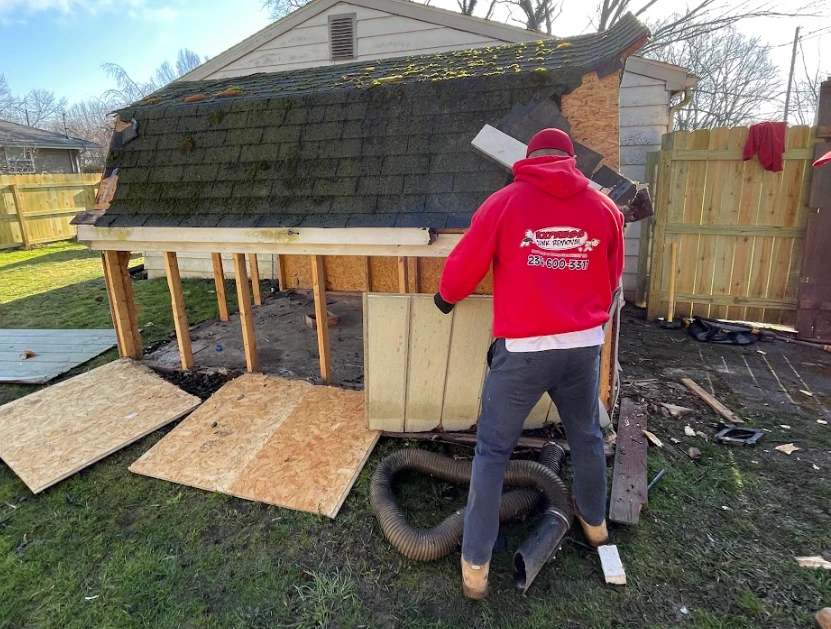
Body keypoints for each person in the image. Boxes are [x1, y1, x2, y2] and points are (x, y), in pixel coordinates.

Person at [433, 128, 624, 599]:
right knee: (586, 436)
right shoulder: (605, 210)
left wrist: (444, 298)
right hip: (581, 349)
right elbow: (611, 277)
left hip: (522, 354)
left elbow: (463, 266)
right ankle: (596, 527)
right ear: (571, 159)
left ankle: (476, 568)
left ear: (530, 157)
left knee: (493, 454)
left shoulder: (504, 204)